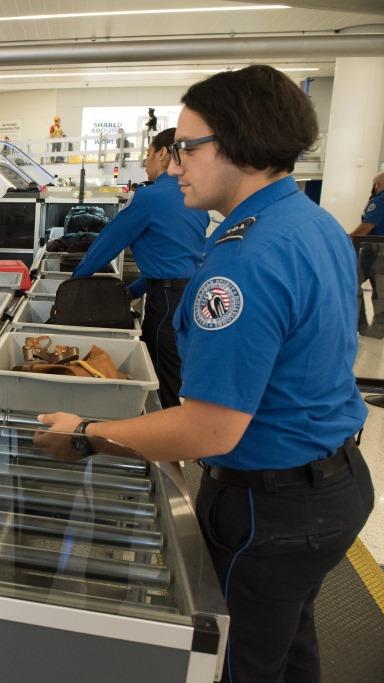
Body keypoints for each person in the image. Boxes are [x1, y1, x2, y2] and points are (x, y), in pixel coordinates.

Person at [40, 65, 373, 683]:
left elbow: (211, 430)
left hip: (269, 508)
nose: (174, 166)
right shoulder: (313, 224)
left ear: (238, 144)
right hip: (333, 485)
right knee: (288, 644)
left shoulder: (243, 261)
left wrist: (86, 433)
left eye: (188, 148)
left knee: (237, 664)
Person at [71, 127, 209, 408]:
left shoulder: (150, 197)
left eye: (147, 155)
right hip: (191, 296)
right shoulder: (196, 199)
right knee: (176, 373)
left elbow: (108, 243)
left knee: (159, 380)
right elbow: (174, 259)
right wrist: (131, 290)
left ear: (162, 153)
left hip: (167, 302)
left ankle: (168, 445)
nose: (145, 162)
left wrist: (74, 282)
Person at [350, 172, 384, 335]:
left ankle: (366, 326)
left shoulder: (380, 200)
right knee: (379, 290)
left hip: (376, 249)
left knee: (355, 283)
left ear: (379, 184)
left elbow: (366, 226)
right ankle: (373, 328)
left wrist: (348, 239)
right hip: (376, 249)